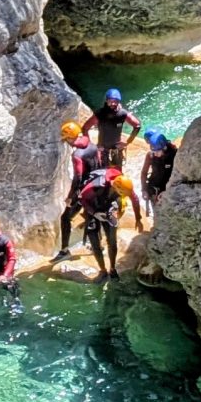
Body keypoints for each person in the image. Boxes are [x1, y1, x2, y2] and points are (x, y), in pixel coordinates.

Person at [56, 118, 101, 256]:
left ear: (70, 138)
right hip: (97, 186)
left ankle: (64, 251)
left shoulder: (77, 155)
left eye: (66, 139)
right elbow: (99, 163)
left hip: (84, 190)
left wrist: (71, 197)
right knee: (94, 215)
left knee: (65, 218)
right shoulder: (92, 145)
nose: (67, 142)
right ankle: (98, 246)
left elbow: (78, 177)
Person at [77, 161, 125, 280]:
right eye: (121, 192)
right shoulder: (97, 185)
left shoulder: (123, 183)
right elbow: (82, 198)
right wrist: (94, 213)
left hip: (109, 206)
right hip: (93, 207)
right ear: (116, 187)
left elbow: (133, 198)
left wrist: (138, 217)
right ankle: (103, 270)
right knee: (94, 241)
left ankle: (112, 269)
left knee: (112, 240)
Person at [89, 87, 142, 164]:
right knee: (103, 170)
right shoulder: (100, 114)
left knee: (117, 170)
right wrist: (90, 146)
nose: (113, 103)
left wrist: (128, 142)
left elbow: (137, 125)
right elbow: (85, 128)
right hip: (102, 147)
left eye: (115, 101)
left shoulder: (122, 114)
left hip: (116, 145)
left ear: (118, 102)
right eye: (110, 101)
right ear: (106, 100)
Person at [140, 129, 176, 220]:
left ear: (164, 148)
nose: (155, 154)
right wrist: (144, 189)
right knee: (157, 216)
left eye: (157, 151)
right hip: (154, 188)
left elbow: (178, 175)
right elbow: (144, 173)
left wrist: (167, 191)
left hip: (167, 189)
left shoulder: (174, 155)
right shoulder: (150, 155)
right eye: (153, 151)